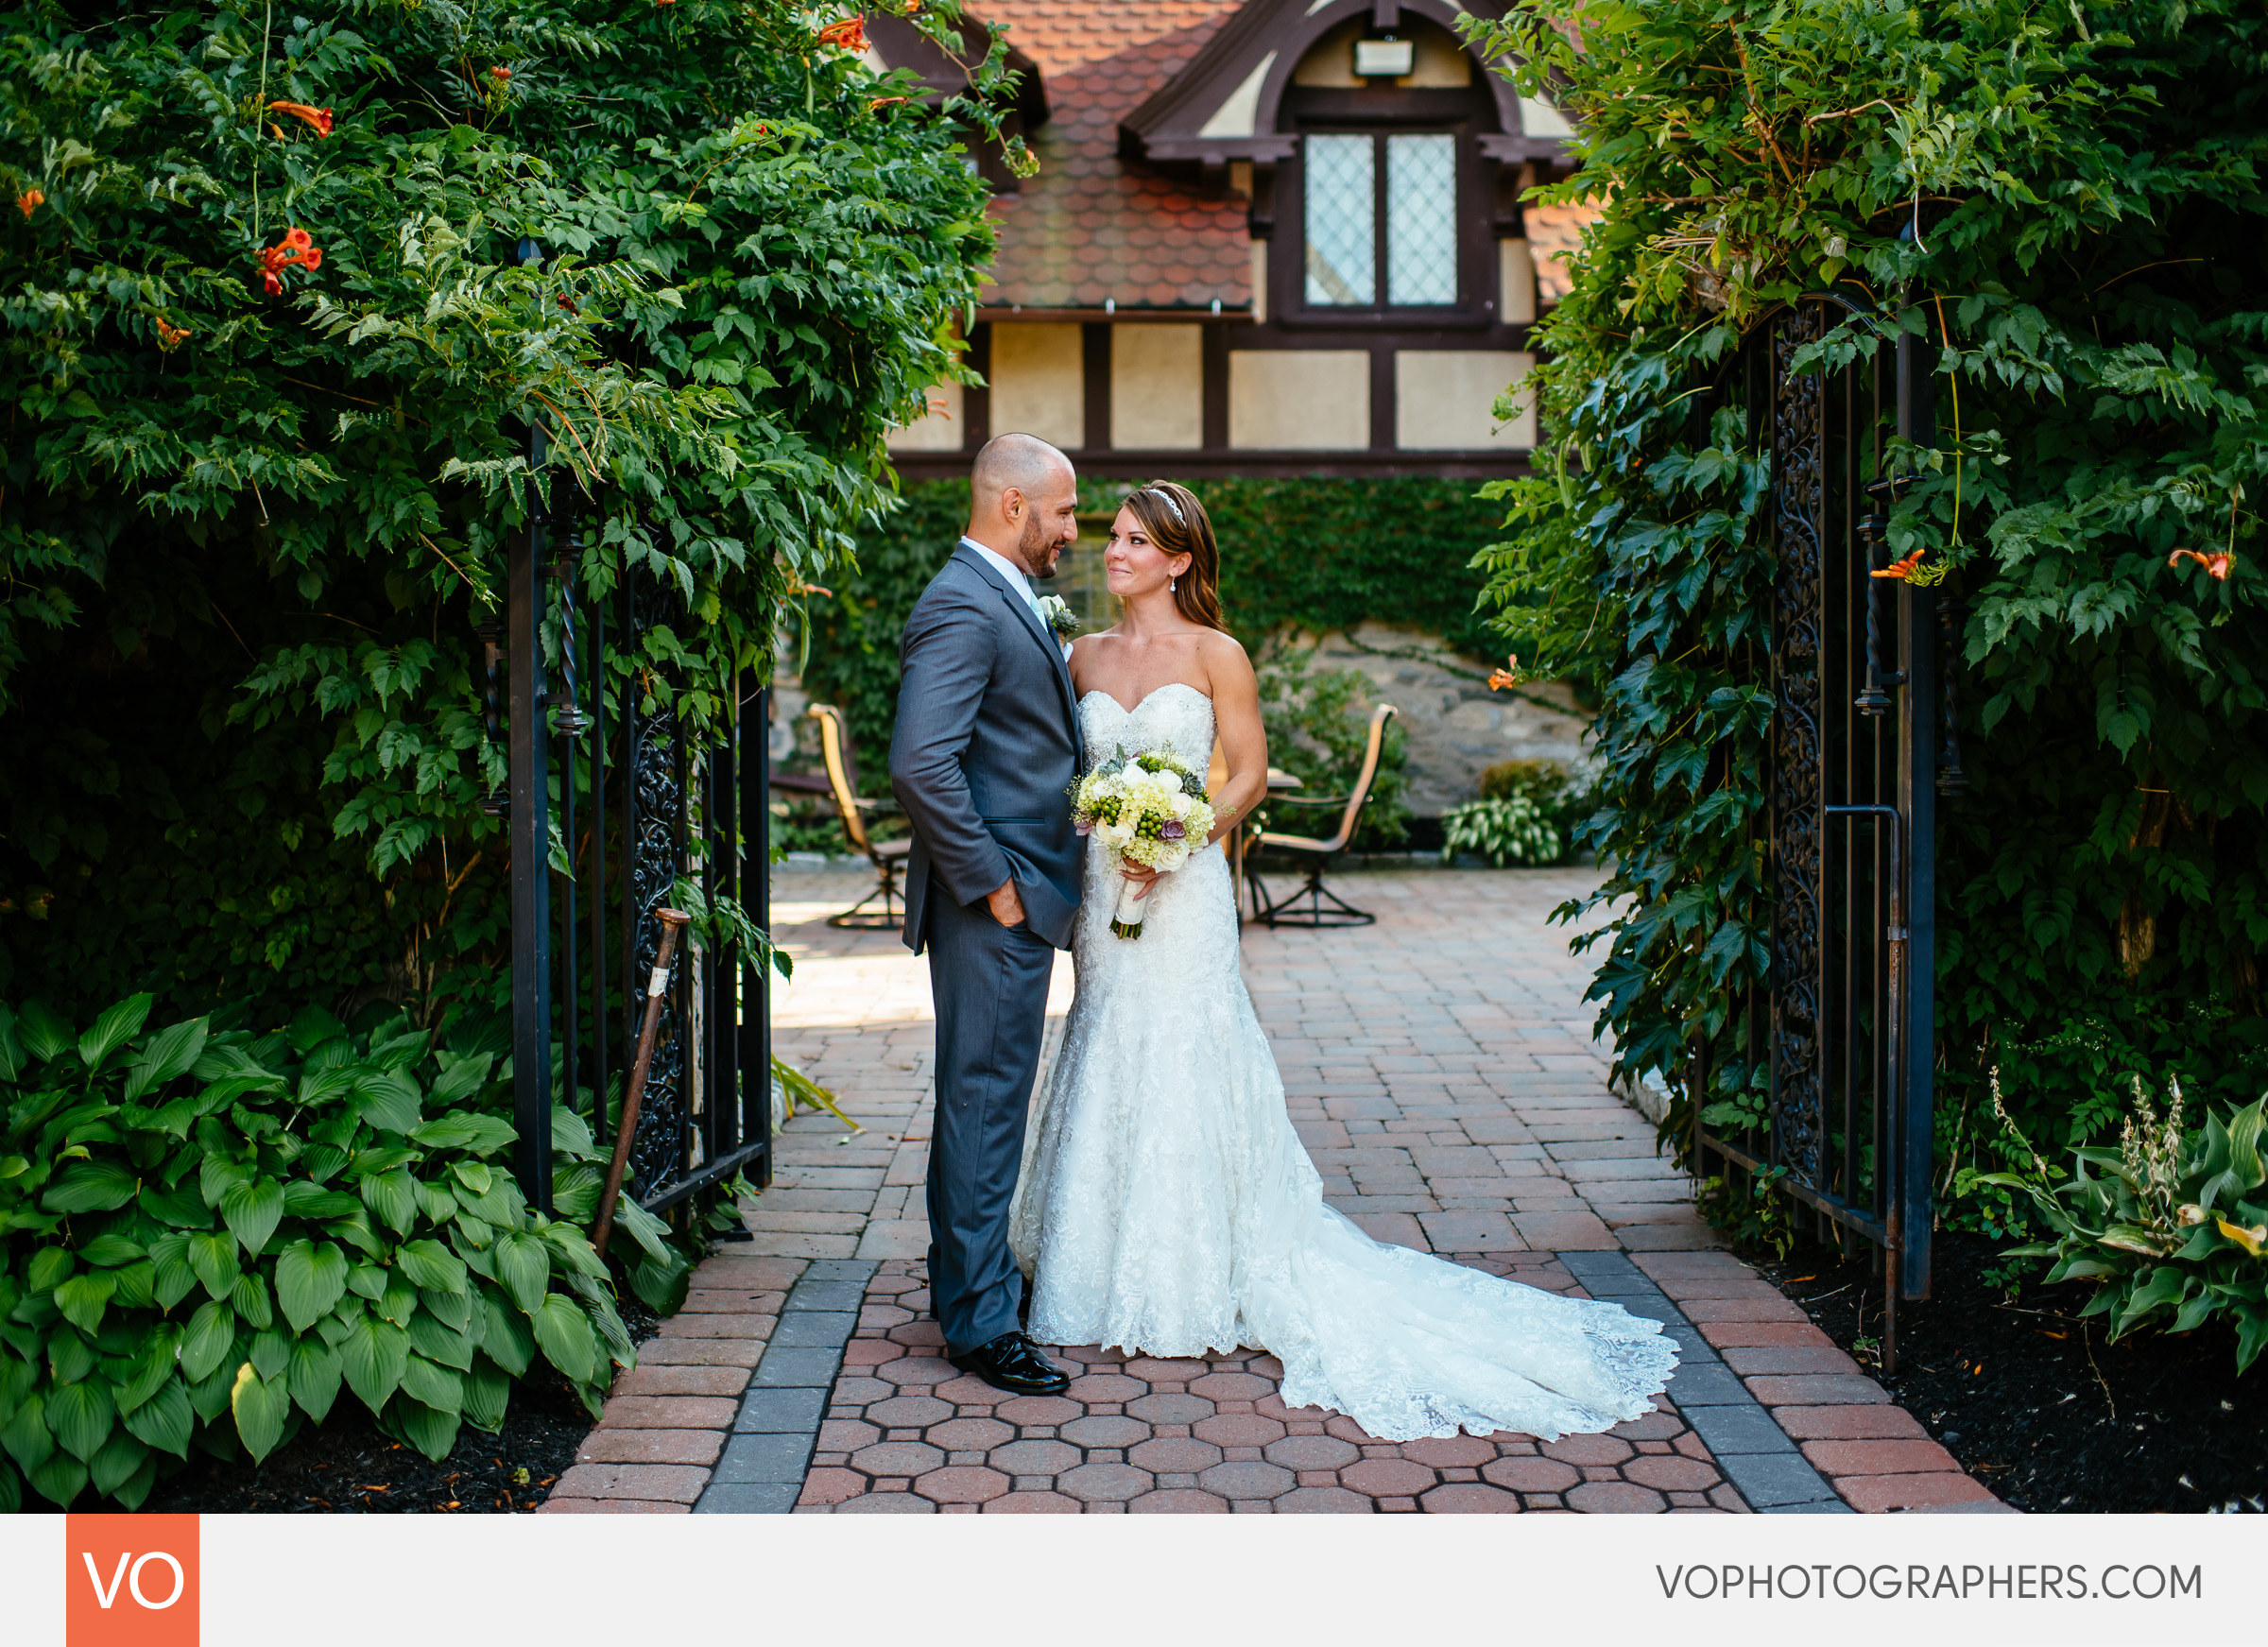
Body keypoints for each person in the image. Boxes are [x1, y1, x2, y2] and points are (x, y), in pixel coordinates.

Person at [1006, 480, 1680, 1440]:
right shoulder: (1080, 655)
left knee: (1188, 1050)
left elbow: (1242, 774)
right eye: (1110, 536)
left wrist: (1181, 835)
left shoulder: (1218, 655)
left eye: (1130, 541)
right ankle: (1092, 1259)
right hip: (1103, 891)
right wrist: (1101, 827)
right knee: (1108, 1041)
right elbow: (1061, 773)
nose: (1110, 552)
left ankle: (1196, 1268)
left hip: (1184, 890)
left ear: (1178, 559)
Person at [888, 432, 1084, 1398]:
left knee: (985, 1095)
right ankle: (980, 1326)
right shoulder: (965, 604)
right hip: (995, 904)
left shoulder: (996, 593)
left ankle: (966, 1286)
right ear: (1014, 504)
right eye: (1065, 511)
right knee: (983, 1099)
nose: (1074, 531)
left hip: (1012, 897)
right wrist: (997, 884)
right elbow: (921, 760)